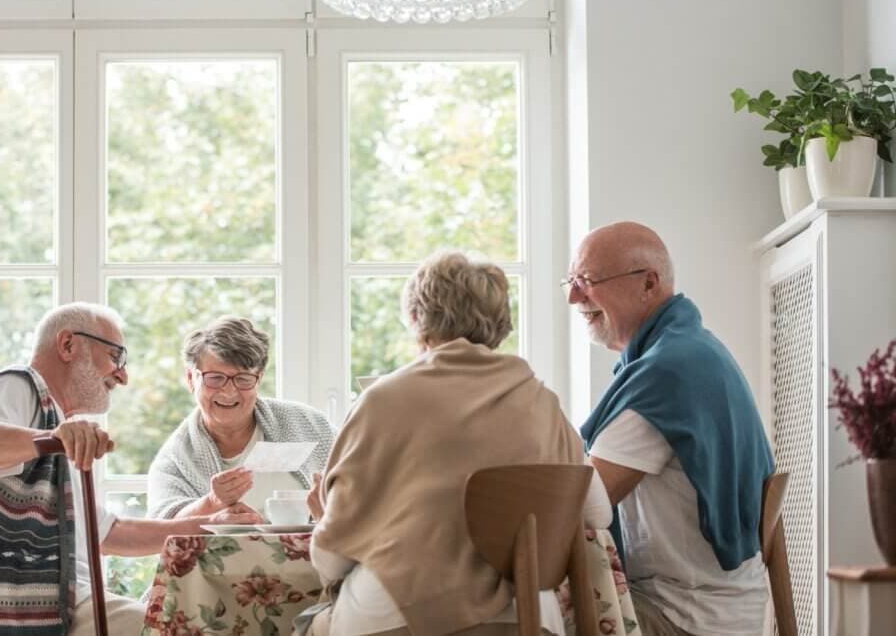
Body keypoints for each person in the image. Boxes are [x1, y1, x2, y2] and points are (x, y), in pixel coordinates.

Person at [305, 251, 612, 636]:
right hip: (528, 617)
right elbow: (598, 515)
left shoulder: (385, 399)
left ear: (417, 319)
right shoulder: (543, 402)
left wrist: (324, 522)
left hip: (394, 613)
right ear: (501, 323)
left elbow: (332, 559)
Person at [0, 302, 261, 636]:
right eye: (116, 357)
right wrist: (52, 437)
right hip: (32, 606)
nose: (123, 376)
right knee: (187, 628)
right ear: (68, 345)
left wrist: (209, 523)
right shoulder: (20, 385)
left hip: (63, 600)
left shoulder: (57, 422)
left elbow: (109, 534)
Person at [566, 222, 775, 636]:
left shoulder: (666, 375)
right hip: (722, 604)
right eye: (570, 282)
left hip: (685, 615)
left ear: (648, 283)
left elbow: (579, 505)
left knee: (518, 619)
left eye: (587, 281)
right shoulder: (691, 350)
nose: (574, 297)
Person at [147, 316, 334, 520]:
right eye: (215, 378)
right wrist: (212, 503)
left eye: (243, 379)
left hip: (310, 551)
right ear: (192, 379)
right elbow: (162, 526)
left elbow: (362, 487)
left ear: (259, 378)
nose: (228, 392)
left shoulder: (309, 424)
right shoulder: (176, 458)